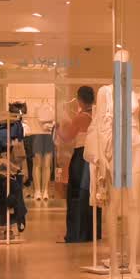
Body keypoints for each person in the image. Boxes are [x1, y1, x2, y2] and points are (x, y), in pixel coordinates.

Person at [59, 85, 96, 243]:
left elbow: (66, 137)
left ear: (80, 99)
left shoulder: (81, 117)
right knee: (90, 194)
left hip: (81, 158)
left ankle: (77, 233)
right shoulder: (97, 114)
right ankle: (90, 232)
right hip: (94, 158)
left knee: (77, 195)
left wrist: (58, 128)